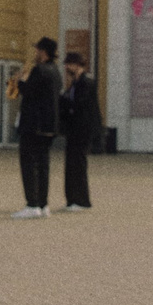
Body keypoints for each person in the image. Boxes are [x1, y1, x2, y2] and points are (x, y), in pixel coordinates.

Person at [11, 39, 60, 219]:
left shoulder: (39, 70)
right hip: (48, 125)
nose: (35, 53)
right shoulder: (56, 71)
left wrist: (20, 80)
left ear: (43, 51)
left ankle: (32, 204)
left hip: (33, 125)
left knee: (29, 164)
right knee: (43, 165)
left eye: (37, 49)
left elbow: (29, 92)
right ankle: (43, 204)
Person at [59, 50, 96, 211]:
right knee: (71, 165)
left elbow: (80, 104)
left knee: (79, 166)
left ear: (76, 64)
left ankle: (82, 201)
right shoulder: (74, 83)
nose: (67, 67)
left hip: (82, 130)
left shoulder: (86, 82)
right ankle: (72, 199)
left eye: (69, 64)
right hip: (73, 130)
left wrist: (65, 102)